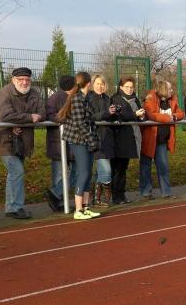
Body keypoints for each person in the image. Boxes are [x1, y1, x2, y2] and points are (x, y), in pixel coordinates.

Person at [0, 67, 43, 219]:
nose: (24, 82)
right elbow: (5, 115)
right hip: (4, 139)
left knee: (14, 173)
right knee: (17, 171)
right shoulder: (5, 92)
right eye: (21, 79)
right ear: (13, 80)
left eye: (27, 79)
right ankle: (15, 207)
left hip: (23, 141)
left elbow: (42, 112)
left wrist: (21, 120)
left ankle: (11, 207)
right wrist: (28, 118)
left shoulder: (34, 93)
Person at [58, 72, 101, 220]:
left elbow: (89, 120)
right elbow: (79, 124)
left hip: (86, 140)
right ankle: (78, 210)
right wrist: (91, 140)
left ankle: (86, 207)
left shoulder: (85, 98)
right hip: (78, 141)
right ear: (89, 83)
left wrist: (93, 139)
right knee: (83, 173)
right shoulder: (77, 99)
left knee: (88, 174)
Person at [140, 80, 184, 198]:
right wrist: (167, 118)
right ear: (163, 90)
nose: (172, 91)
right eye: (169, 89)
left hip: (162, 140)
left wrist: (174, 116)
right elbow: (151, 114)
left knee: (163, 167)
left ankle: (166, 192)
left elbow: (181, 113)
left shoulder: (172, 100)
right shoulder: (150, 98)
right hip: (149, 139)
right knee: (146, 166)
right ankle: (146, 192)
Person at [111, 77, 146, 204]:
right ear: (121, 87)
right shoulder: (115, 98)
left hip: (131, 137)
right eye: (127, 87)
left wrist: (142, 116)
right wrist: (135, 115)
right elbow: (120, 115)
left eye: (131, 87)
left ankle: (122, 194)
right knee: (117, 168)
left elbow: (141, 114)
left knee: (123, 168)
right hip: (119, 138)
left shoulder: (135, 99)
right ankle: (116, 196)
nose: (130, 89)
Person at [45, 74, 77, 212]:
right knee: (59, 174)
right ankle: (58, 202)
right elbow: (50, 115)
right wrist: (68, 120)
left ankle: (55, 195)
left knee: (76, 172)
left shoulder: (75, 97)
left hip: (72, 141)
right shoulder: (55, 98)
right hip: (58, 142)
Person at [87, 74, 117, 207]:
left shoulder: (108, 98)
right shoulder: (88, 98)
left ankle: (95, 198)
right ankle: (102, 198)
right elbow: (91, 116)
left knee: (99, 171)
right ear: (93, 84)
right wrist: (107, 114)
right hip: (95, 137)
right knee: (106, 170)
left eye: (102, 84)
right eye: (98, 83)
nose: (100, 86)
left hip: (108, 138)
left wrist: (115, 113)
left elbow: (111, 117)